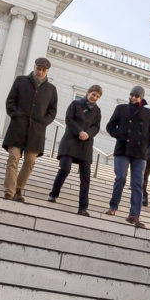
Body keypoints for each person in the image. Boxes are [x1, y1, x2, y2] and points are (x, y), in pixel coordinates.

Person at [2, 58, 58, 202]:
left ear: (47, 71)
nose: (40, 72)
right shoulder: (21, 81)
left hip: (36, 132)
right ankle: (9, 191)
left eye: (43, 70)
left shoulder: (51, 89)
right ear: (34, 67)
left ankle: (18, 189)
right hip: (17, 128)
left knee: (30, 161)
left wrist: (43, 122)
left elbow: (52, 111)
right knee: (13, 157)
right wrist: (16, 115)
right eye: (38, 68)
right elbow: (10, 101)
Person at [105, 85, 150, 227]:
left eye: (137, 95)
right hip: (123, 149)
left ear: (142, 97)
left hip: (139, 153)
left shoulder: (148, 113)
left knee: (137, 184)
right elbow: (110, 126)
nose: (134, 97)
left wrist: (146, 143)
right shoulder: (121, 108)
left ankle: (134, 214)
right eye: (132, 94)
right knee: (120, 177)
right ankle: (113, 206)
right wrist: (120, 136)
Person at [47, 85, 103, 216]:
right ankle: (53, 194)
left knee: (86, 177)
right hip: (70, 141)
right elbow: (69, 119)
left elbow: (96, 126)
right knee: (65, 169)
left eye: (97, 96)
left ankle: (83, 207)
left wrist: (88, 134)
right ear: (88, 92)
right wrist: (79, 131)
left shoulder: (97, 111)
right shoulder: (75, 103)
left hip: (85, 145)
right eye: (93, 94)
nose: (94, 97)